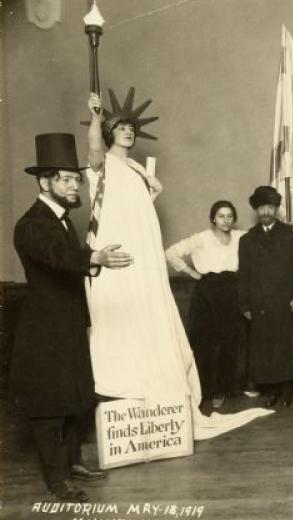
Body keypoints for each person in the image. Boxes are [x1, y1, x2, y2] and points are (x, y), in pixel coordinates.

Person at [86, 93, 268, 439]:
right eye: (120, 127)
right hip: (119, 249)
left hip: (145, 254)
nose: (127, 132)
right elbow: (94, 153)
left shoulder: (137, 168)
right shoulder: (105, 162)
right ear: (109, 131)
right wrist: (95, 118)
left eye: (131, 128)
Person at [11, 133, 133, 501]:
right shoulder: (31, 224)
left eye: (75, 178)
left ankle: (71, 461)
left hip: (68, 324)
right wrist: (93, 258)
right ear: (44, 182)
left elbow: (66, 261)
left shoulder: (62, 219)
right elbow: (56, 257)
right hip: (45, 330)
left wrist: (89, 259)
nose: (73, 184)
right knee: (49, 406)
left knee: (76, 396)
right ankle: (56, 478)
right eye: (65, 178)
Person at [165, 200, 246, 412]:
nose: (226, 220)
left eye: (229, 216)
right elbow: (171, 252)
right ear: (213, 218)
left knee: (231, 340)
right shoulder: (201, 238)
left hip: (232, 291)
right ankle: (206, 390)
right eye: (221, 216)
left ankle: (225, 389)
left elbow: (262, 241)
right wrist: (192, 273)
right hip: (208, 293)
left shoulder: (239, 236)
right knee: (206, 342)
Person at [238, 186, 293, 408]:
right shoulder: (247, 240)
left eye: (270, 207)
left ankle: (287, 391)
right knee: (265, 350)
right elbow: (243, 275)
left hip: (286, 302)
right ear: (256, 210)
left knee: (285, 348)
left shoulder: (291, 235)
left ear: (276, 209)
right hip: (259, 305)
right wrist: (245, 305)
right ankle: (272, 391)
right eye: (262, 207)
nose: (266, 211)